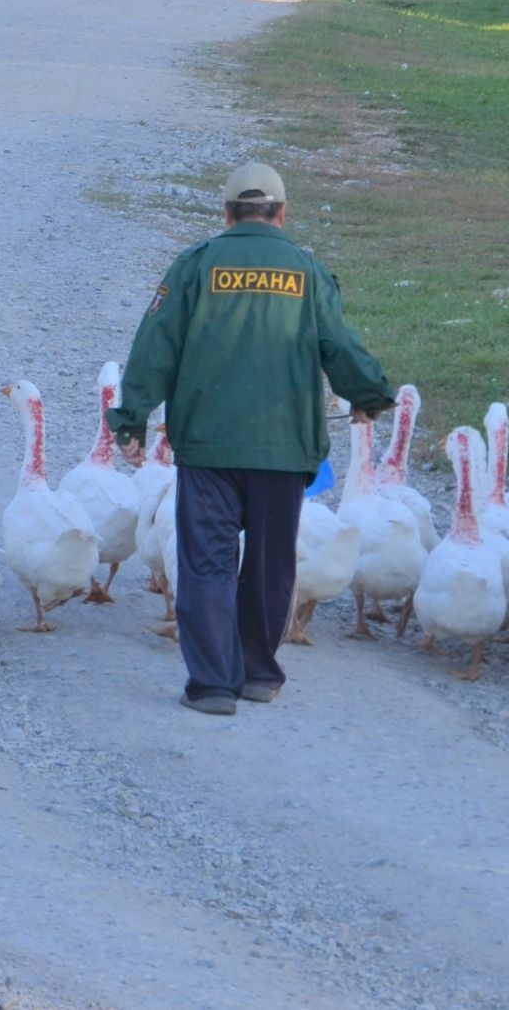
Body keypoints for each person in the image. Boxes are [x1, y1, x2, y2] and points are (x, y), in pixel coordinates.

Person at [111, 162, 395, 718]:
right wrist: (370, 396)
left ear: (226, 213)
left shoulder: (195, 266)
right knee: (270, 563)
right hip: (284, 449)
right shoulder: (308, 272)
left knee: (207, 563)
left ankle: (213, 685)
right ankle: (260, 674)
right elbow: (340, 345)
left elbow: (154, 346)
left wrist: (132, 419)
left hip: (209, 448)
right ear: (281, 214)